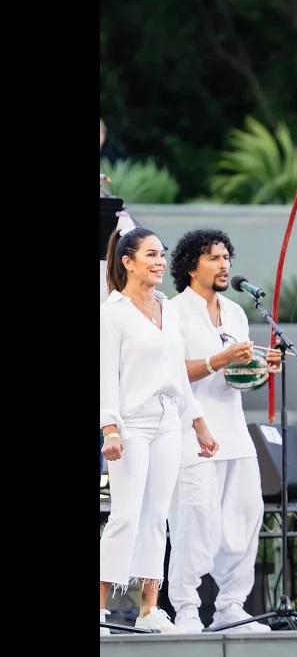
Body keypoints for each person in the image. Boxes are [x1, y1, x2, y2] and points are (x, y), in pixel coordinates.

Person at [101, 228, 220, 634]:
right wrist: (110, 429)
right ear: (127, 261)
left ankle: (149, 611)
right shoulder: (112, 313)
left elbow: (177, 376)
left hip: (169, 421)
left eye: (162, 254)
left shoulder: (168, 310)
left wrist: (199, 424)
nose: (159, 261)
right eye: (150, 254)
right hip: (131, 424)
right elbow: (105, 378)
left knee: (156, 518)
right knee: (126, 517)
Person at [167, 229, 279, 633]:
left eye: (226, 256)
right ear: (190, 266)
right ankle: (187, 610)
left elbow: (240, 377)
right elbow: (171, 373)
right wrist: (219, 358)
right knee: (194, 522)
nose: (224, 264)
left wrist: (263, 370)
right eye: (213, 257)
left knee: (246, 516)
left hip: (234, 430)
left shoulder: (235, 312)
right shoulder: (172, 311)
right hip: (189, 434)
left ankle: (232, 607)